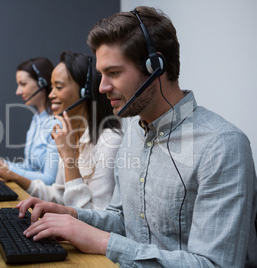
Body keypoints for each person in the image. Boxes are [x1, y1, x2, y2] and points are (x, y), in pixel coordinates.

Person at [17, 6, 257, 267]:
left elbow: (215, 264)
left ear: (156, 66)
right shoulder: (133, 132)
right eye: (101, 74)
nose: (102, 87)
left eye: (114, 73)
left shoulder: (221, 146)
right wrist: (72, 215)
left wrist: (102, 241)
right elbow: (122, 220)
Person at [0, 51, 122, 209]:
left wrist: (68, 158)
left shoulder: (109, 142)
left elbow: (99, 218)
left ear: (85, 92)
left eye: (58, 87)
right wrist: (15, 178)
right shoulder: (69, 136)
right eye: (52, 87)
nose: (51, 94)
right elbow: (59, 196)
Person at [0, 57, 59, 185]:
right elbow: (29, 168)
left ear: (42, 83)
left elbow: (50, 181)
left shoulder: (56, 124)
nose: (18, 91)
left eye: (23, 84)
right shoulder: (37, 119)